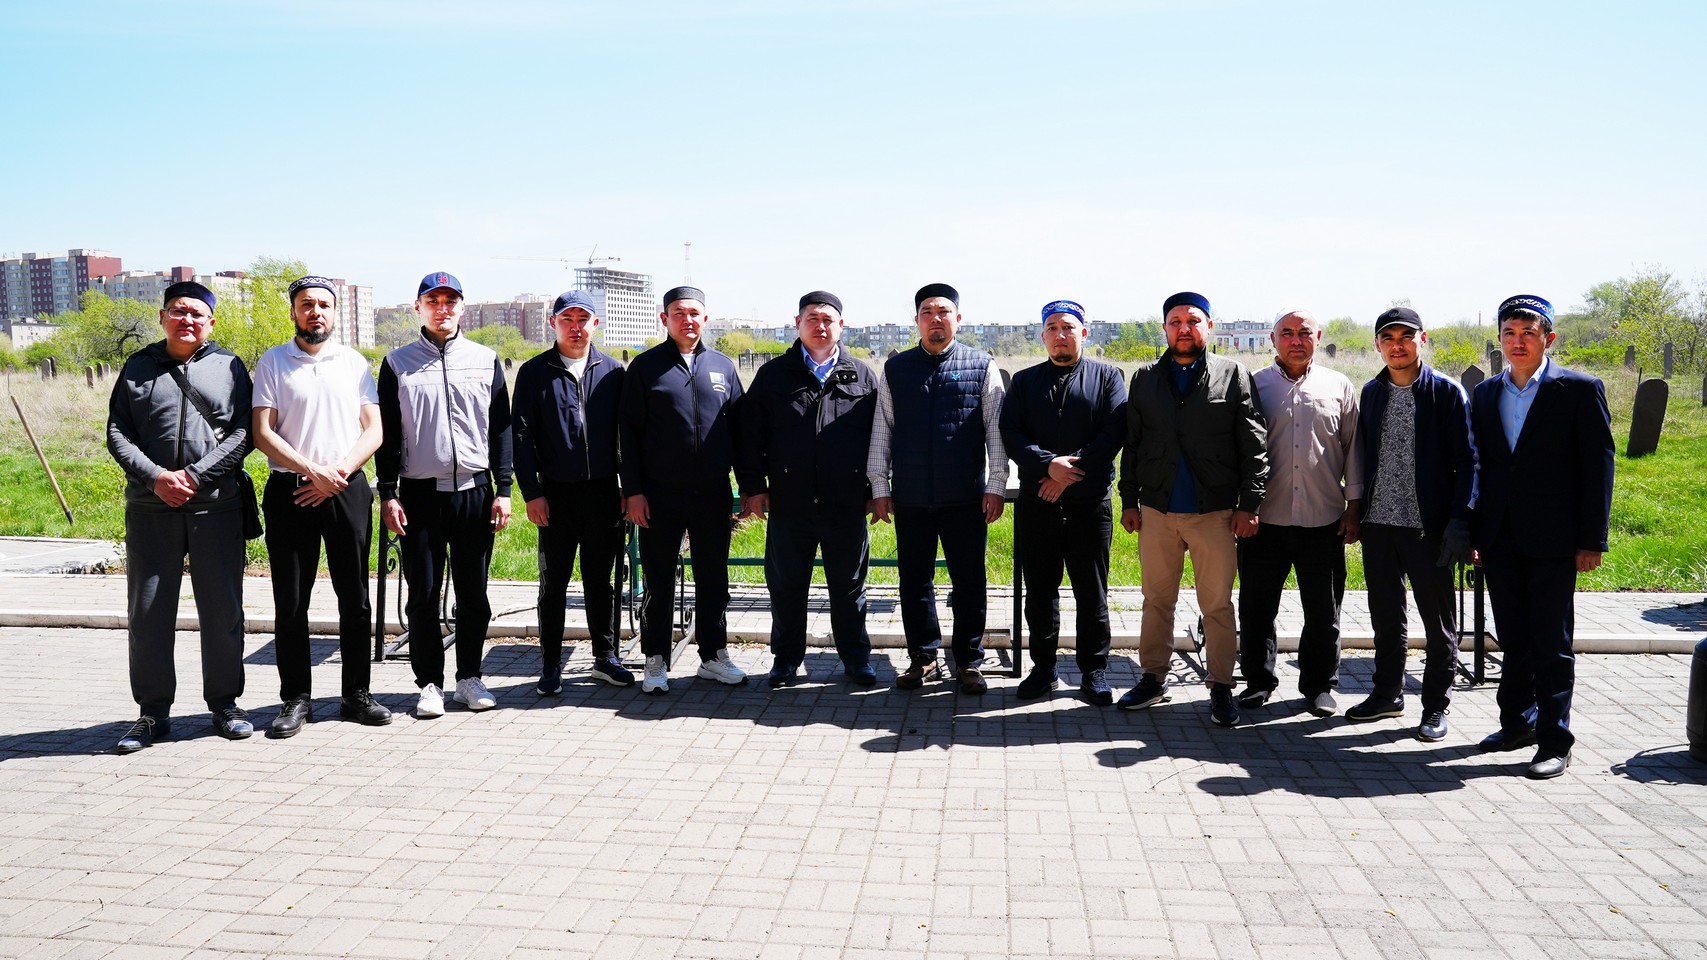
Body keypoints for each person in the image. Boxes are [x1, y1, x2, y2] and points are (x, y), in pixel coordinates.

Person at [1470, 294, 1614, 779]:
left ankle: (1555, 740)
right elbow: (1482, 466)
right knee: (1513, 638)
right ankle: (1516, 724)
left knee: (1551, 642)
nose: (1518, 342)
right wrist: (1475, 532)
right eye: (1509, 334)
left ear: (1547, 338)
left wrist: (1592, 539)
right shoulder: (1485, 394)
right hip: (1500, 537)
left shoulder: (1579, 390)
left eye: (1528, 334)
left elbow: (1598, 467)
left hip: (1555, 540)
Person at [106, 280, 254, 752]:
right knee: (148, 611)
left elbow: (244, 433)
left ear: (211, 322)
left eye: (196, 313)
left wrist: (193, 475)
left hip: (215, 507)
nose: (186, 319)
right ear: (163, 317)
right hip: (151, 508)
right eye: (177, 311)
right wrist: (156, 478)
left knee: (223, 609)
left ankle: (225, 704)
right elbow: (117, 431)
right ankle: (152, 712)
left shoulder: (230, 366)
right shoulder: (138, 366)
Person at [1117, 291, 1267, 727]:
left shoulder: (1232, 374)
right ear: (1165, 328)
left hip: (1214, 513)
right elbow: (1133, 444)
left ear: (1209, 326)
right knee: (1156, 600)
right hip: (1157, 511)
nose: (1184, 328)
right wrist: (1129, 499)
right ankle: (1152, 678)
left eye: (1193, 321)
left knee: (1216, 604)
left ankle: (1221, 687)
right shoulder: (1145, 378)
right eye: (1176, 321)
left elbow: (1254, 445)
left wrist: (1249, 504)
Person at [251, 276, 390, 736]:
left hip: (347, 489)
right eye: (306, 304)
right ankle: (296, 699)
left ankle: (356, 695)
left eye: (324, 305)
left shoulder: (353, 363)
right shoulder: (273, 362)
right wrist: (313, 471)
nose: (316, 312)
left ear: (335, 312)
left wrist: (337, 475)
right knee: (292, 602)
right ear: (294, 311)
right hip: (291, 492)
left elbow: (374, 429)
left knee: (356, 598)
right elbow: (262, 433)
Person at [376, 271, 514, 718]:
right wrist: (388, 493)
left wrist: (504, 488)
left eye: (450, 301)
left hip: (475, 492)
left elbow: (501, 430)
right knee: (423, 593)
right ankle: (430, 683)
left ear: (462, 308)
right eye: (433, 301)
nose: (442, 309)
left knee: (474, 594)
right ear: (418, 307)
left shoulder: (485, 359)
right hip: (419, 495)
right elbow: (387, 434)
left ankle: (469, 678)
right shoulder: (397, 363)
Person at [867, 282, 1008, 695]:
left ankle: (968, 662)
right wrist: (879, 485)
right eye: (927, 312)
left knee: (970, 582)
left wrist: (996, 484)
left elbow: (995, 430)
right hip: (911, 497)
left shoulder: (981, 365)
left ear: (957, 319)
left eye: (943, 312)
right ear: (916, 320)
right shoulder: (896, 369)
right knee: (914, 582)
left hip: (965, 497)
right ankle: (923, 657)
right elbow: (882, 429)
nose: (936, 319)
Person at [1343, 307, 1475, 742]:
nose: (1397, 345)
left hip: (1429, 528)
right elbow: (1361, 454)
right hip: (1379, 524)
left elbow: (1468, 462)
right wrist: (1356, 510)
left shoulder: (1446, 392)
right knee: (1386, 618)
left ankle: (1435, 706)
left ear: (1422, 339)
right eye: (1388, 338)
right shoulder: (1372, 391)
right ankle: (1387, 694)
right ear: (1378, 345)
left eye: (1406, 336)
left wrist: (1460, 521)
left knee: (1438, 623)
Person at [736, 291, 879, 688]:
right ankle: (785, 660)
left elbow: (880, 439)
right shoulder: (773, 375)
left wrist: (876, 489)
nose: (820, 326)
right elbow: (750, 436)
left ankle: (856, 659)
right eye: (812, 318)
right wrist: (753, 487)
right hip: (790, 502)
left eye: (828, 319)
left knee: (849, 589)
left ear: (841, 326)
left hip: (845, 504)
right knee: (786, 587)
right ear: (797, 323)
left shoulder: (863, 376)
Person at [619, 285, 748, 694]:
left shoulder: (722, 367)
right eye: (678, 313)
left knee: (714, 579)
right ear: (665, 319)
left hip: (712, 493)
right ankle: (655, 658)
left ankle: (713, 655)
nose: (687, 320)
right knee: (658, 580)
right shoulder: (645, 368)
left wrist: (749, 488)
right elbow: (628, 435)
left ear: (705, 318)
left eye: (694, 313)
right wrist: (633, 492)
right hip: (659, 495)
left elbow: (740, 433)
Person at [1236, 309, 1364, 717]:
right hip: (1263, 520)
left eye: (1304, 332)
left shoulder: (1338, 385)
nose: (1296, 340)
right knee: (1257, 608)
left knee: (1324, 611)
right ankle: (1258, 681)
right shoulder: (1254, 385)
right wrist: (1241, 507)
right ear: (1273, 339)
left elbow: (1353, 449)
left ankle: (1319, 685)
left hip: (1322, 518)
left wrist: (1354, 507)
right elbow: (1239, 449)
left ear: (1317, 337)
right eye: (1287, 333)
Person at [999, 299, 1127, 704]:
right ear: (1043, 336)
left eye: (1068, 327)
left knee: (1092, 592)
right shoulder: (1024, 382)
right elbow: (1011, 432)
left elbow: (1113, 433)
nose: (1060, 335)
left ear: (1083, 333)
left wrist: (1066, 476)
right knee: (1040, 592)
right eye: (1052, 328)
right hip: (1039, 502)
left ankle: (1094, 671)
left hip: (1090, 504)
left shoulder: (1108, 377)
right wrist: (1046, 466)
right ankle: (1043, 669)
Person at [513, 291, 632, 695]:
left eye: (583, 319)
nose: (576, 327)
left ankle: (605, 657)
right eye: (568, 319)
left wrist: (627, 488)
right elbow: (522, 437)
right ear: (554, 323)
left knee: (601, 581)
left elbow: (626, 436)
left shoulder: (613, 371)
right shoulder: (534, 373)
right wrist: (532, 493)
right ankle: (550, 664)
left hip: (604, 493)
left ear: (595, 324)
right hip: (556, 494)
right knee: (554, 583)